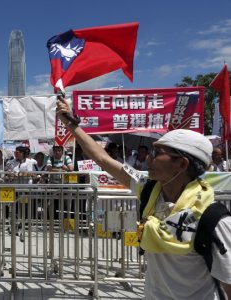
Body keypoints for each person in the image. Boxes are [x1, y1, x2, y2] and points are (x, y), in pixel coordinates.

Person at [56, 95, 231, 299]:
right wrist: (69, 123)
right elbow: (102, 158)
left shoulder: (215, 220)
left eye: (157, 153)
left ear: (182, 164)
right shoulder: (148, 190)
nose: (148, 157)